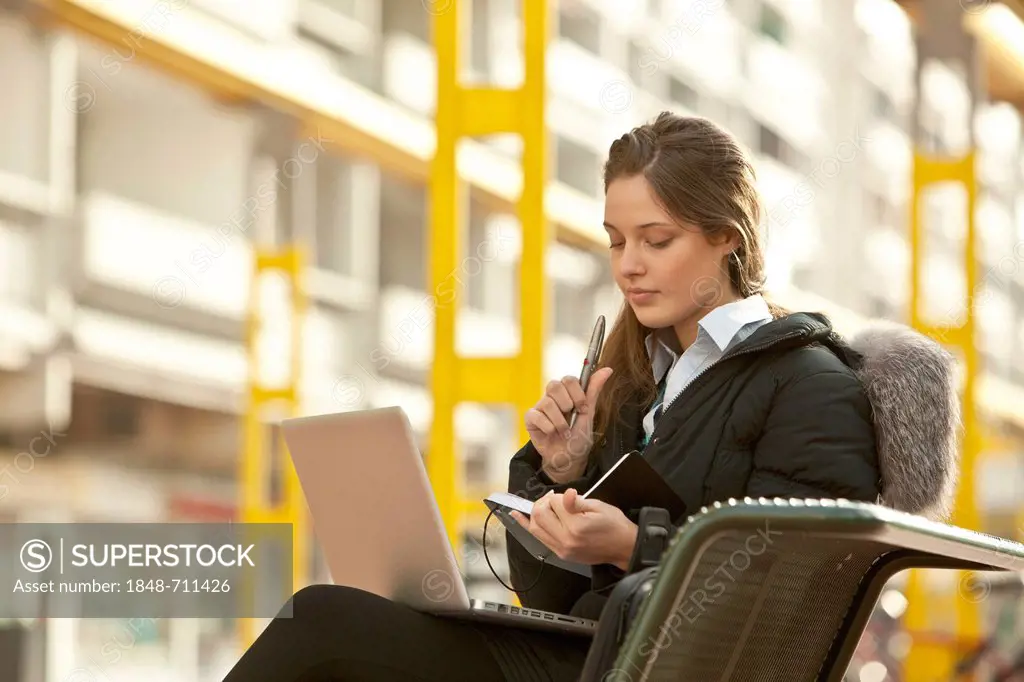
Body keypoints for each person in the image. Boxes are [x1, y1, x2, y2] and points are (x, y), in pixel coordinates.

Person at [220, 112, 960, 682]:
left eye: (655, 240)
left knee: (323, 621)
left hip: (655, 666)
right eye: (615, 241)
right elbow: (546, 589)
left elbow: (795, 586)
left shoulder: (813, 386)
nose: (629, 267)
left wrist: (634, 544)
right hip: (586, 648)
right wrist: (561, 474)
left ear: (727, 241)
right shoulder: (639, 379)